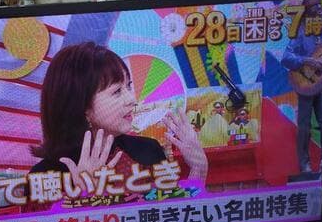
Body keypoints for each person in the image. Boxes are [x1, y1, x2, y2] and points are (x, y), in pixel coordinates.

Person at [32, 42, 208, 191]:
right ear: (82, 106)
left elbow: (172, 215)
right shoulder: (44, 177)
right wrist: (85, 195)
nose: (132, 99)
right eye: (117, 91)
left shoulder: (148, 151)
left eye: (129, 86)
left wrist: (198, 168)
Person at [281, 0, 322, 174]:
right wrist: (306, 60)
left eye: (320, 7)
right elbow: (286, 57)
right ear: (306, 11)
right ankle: (304, 164)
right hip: (305, 83)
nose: (319, 9)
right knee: (304, 126)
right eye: (314, 7)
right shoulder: (301, 32)